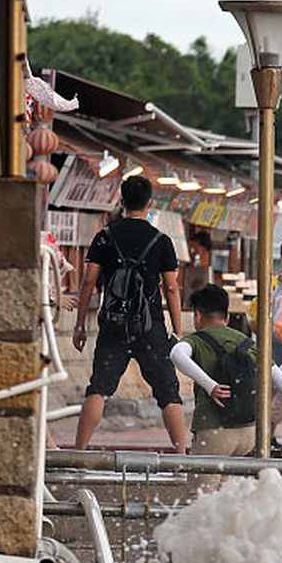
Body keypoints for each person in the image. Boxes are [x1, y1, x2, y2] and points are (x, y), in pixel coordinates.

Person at [71, 174, 188, 451]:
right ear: (150, 203)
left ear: (121, 201)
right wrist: (177, 330)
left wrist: (80, 324)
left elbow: (88, 281)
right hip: (150, 327)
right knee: (168, 393)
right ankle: (182, 457)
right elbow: (172, 288)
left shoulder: (105, 237)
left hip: (113, 325)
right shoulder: (161, 241)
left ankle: (79, 453)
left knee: (99, 388)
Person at [167, 284, 282, 456]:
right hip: (248, 433)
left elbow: (176, 354)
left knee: (199, 475)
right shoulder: (246, 342)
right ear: (227, 317)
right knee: (233, 475)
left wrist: (210, 385)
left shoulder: (197, 340)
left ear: (198, 315)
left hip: (214, 432)